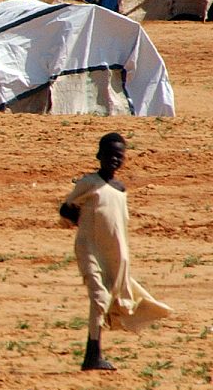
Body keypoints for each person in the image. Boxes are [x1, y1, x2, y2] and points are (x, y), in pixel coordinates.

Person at [59, 132, 171, 371]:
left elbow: (119, 223)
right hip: (89, 248)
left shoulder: (120, 190)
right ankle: (92, 355)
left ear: (124, 159)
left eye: (118, 156)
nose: (114, 159)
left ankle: (94, 353)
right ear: (99, 155)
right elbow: (66, 210)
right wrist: (78, 219)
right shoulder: (88, 183)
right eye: (109, 155)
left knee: (112, 297)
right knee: (99, 298)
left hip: (115, 252)